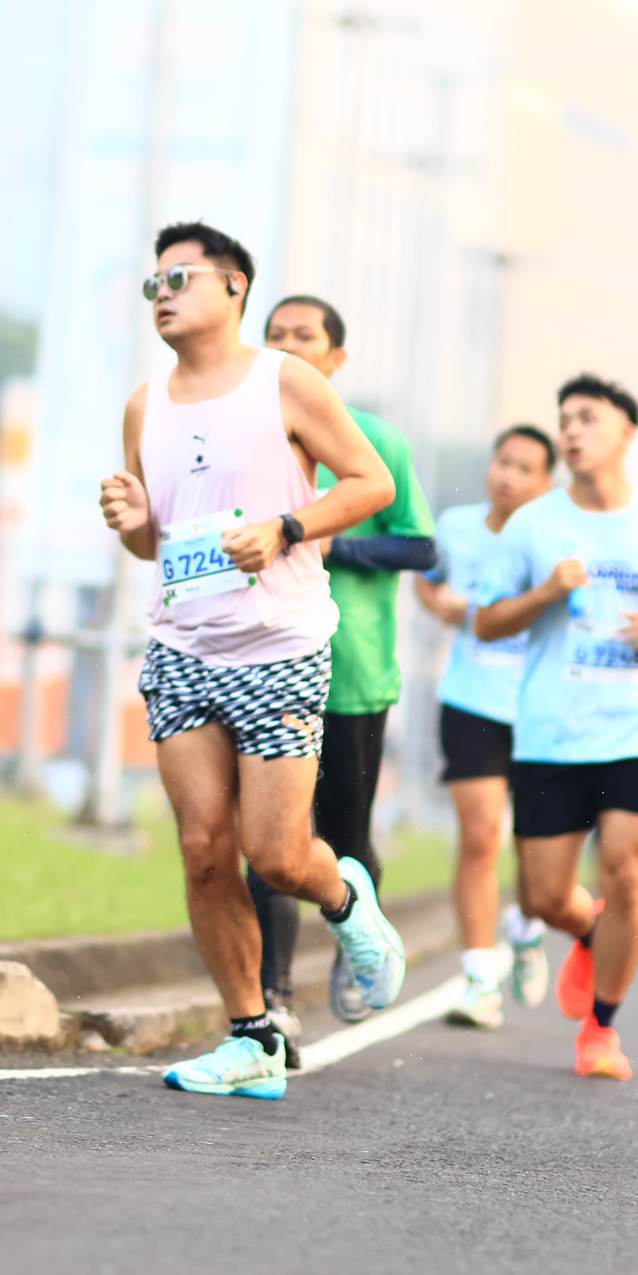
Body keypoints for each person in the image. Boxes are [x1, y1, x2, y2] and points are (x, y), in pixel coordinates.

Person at [99, 225, 405, 1100]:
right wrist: (134, 524)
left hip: (279, 645)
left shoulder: (286, 381)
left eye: (181, 277)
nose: (163, 294)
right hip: (183, 644)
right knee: (203, 849)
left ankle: (344, 898)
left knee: (275, 856)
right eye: (153, 283)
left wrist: (286, 527)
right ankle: (253, 1036)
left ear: (234, 286)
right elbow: (156, 543)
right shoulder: (144, 405)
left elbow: (371, 483)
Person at [475, 374, 638, 1080]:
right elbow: (487, 621)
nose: (572, 431)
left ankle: (601, 1031)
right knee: (543, 897)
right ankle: (588, 931)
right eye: (565, 420)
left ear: (626, 433)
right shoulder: (534, 524)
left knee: (627, 875)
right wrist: (546, 591)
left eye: (588, 417)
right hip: (551, 734)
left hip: (637, 732)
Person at [248, 295, 436, 1038]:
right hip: (264, 661)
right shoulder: (242, 432)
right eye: (276, 335)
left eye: (305, 336)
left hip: (353, 673)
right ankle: (273, 999)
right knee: (269, 840)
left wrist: (328, 541)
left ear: (336, 358)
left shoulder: (374, 438)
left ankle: (356, 946)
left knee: (344, 836)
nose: (289, 346)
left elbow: (420, 545)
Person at [415, 425, 557, 1028]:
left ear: (546, 483)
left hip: (539, 708)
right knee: (480, 835)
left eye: (526, 469)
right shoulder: (457, 527)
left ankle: (525, 930)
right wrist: (440, 604)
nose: (510, 477)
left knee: (533, 849)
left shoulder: (557, 540)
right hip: (471, 700)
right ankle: (478, 979)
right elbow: (427, 580)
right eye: (504, 462)